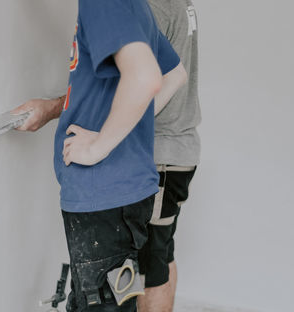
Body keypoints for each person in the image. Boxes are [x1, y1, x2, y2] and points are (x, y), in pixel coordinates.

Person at [13, 0, 187, 310]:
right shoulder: (136, 5)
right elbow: (174, 74)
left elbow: (146, 77)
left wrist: (99, 145)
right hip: (124, 194)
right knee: (116, 303)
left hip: (104, 196)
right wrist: (120, 134)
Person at [137, 1, 201, 311]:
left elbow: (145, 84)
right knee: (163, 254)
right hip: (178, 151)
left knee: (149, 269)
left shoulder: (155, 6)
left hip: (161, 153)